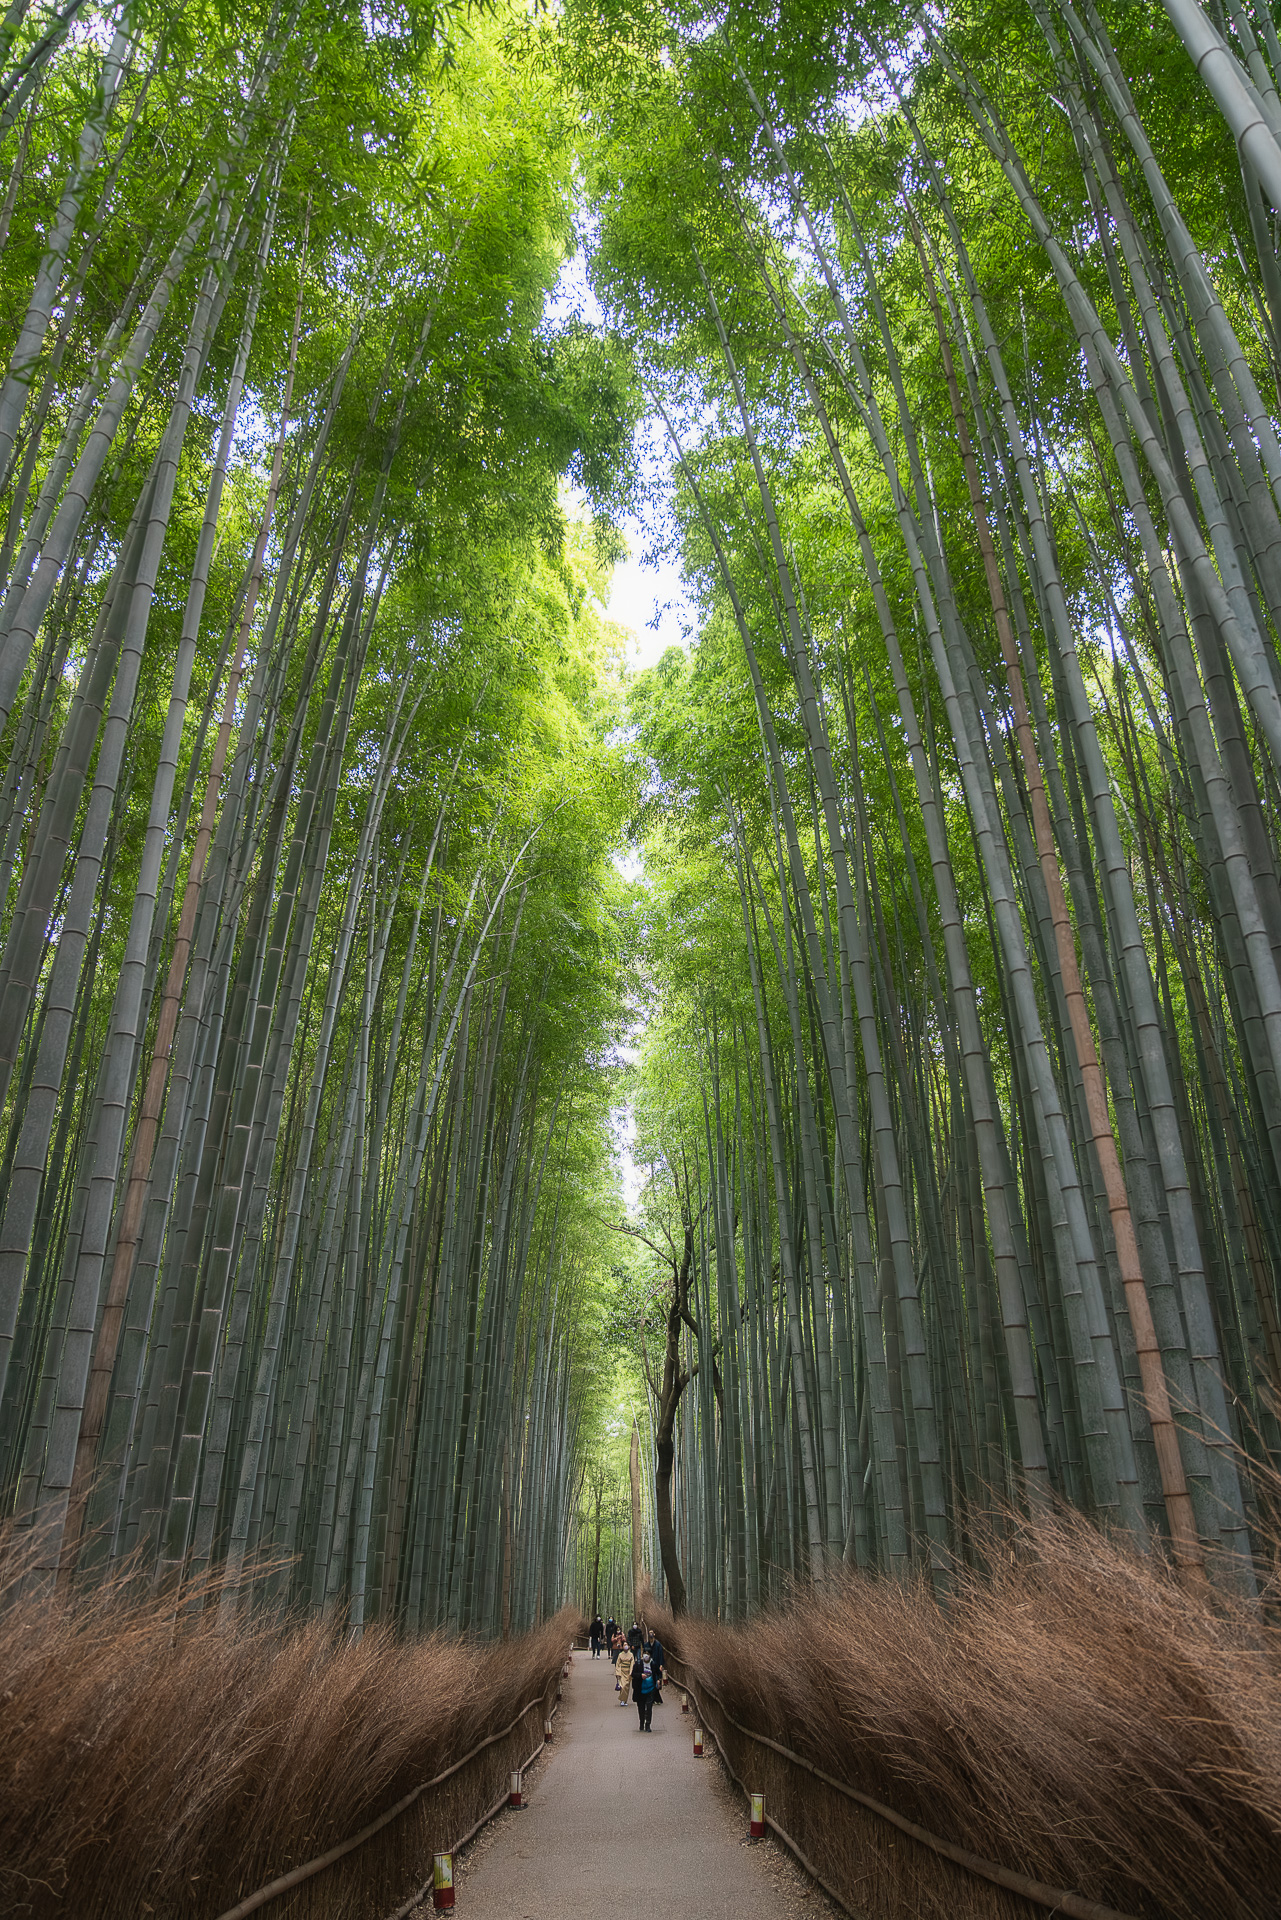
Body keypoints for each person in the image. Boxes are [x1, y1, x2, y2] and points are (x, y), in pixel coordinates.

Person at [633, 1644, 657, 1731]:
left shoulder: (653, 1664)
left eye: (648, 1654)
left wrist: (658, 1681)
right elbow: (633, 1674)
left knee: (649, 1707)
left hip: (650, 1688)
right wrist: (640, 1675)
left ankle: (648, 1724)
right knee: (641, 1707)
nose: (646, 1655)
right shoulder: (638, 1664)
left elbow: (657, 1674)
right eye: (645, 1653)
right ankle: (641, 1723)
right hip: (640, 1689)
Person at [615, 1640, 635, 1707]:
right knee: (622, 1686)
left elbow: (632, 1664)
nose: (625, 1646)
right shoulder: (620, 1655)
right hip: (622, 1671)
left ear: (628, 1646)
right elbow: (618, 1664)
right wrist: (618, 1672)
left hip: (628, 1672)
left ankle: (624, 1700)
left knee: (626, 1686)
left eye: (626, 1645)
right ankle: (622, 1700)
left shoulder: (631, 1655)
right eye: (624, 1645)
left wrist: (631, 1672)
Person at [648, 1631, 665, 1703]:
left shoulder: (658, 1645)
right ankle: (654, 1698)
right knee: (651, 1681)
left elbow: (661, 1655)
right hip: (649, 1665)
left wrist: (661, 1665)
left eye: (652, 1633)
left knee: (656, 1680)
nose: (651, 1634)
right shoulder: (647, 1644)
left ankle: (655, 1698)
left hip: (656, 1664)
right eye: (650, 1633)